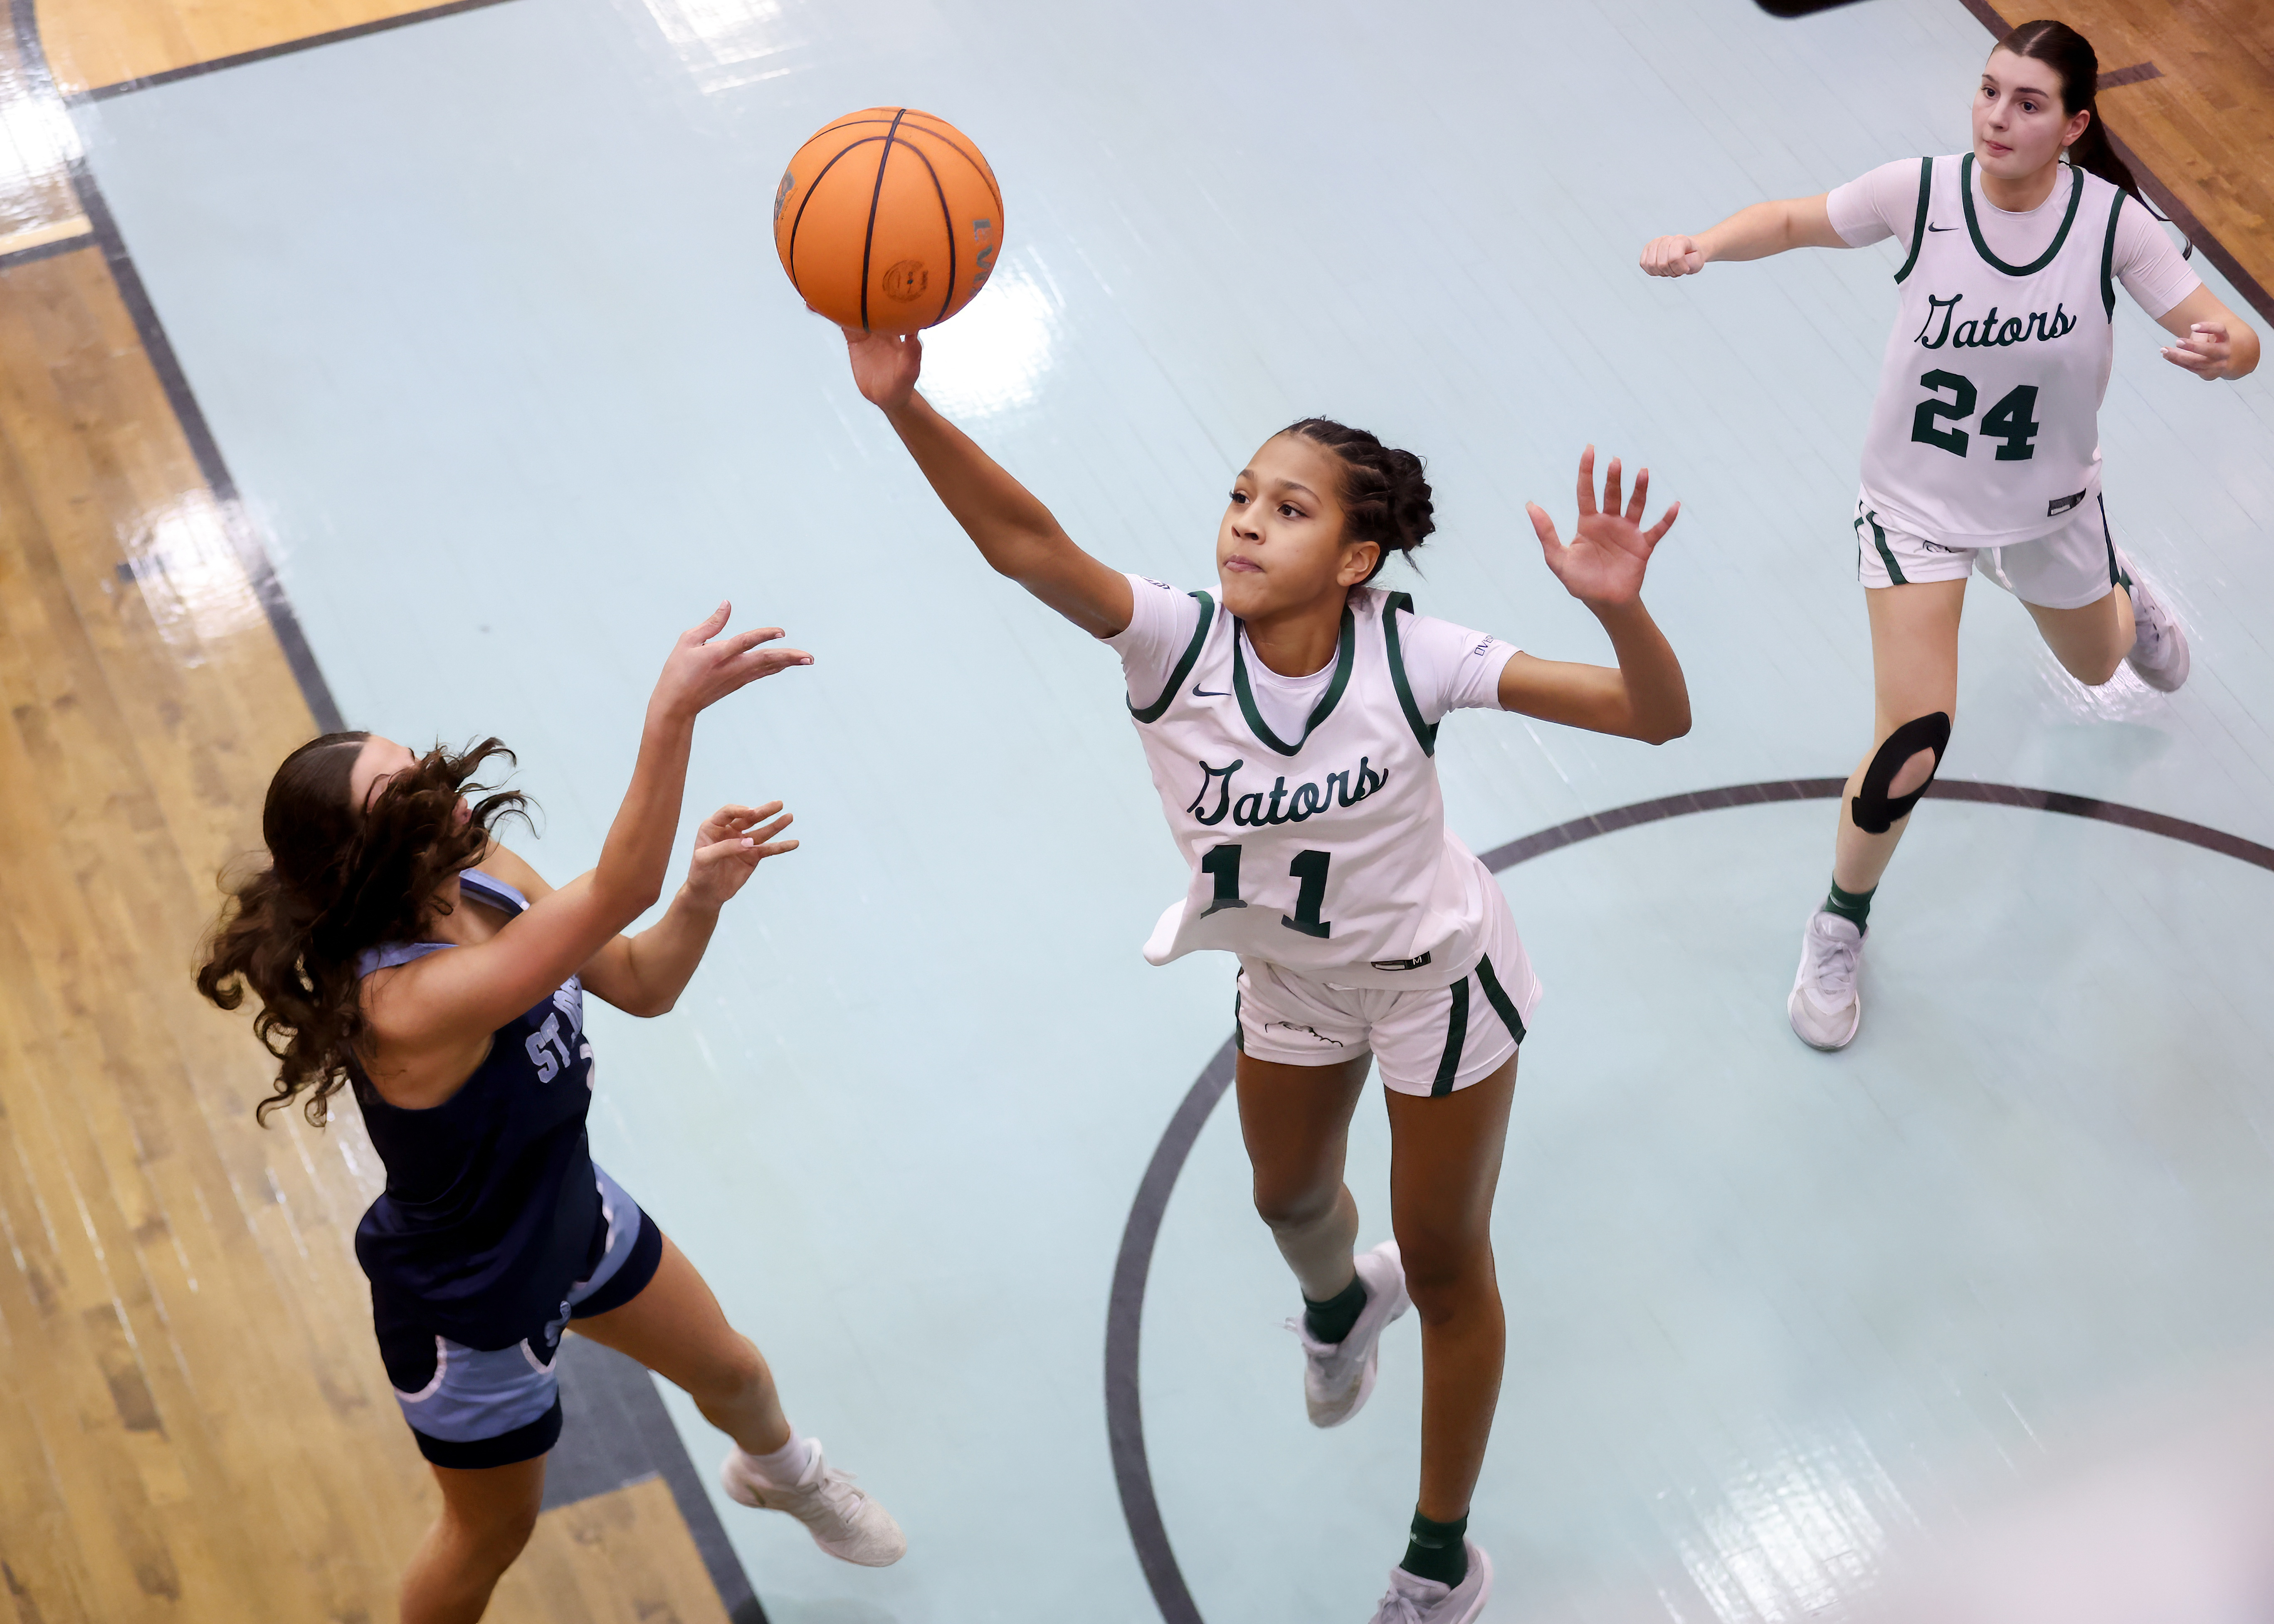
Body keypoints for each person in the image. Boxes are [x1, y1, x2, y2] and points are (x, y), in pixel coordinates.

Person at [840, 327, 1691, 1621]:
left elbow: (1651, 717)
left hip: (1432, 989)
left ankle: (1437, 1557)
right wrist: (906, 406)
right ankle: (1342, 1307)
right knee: (1289, 1204)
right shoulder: (1171, 647)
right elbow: (1027, 543)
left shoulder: (1412, 656)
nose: (1242, 524)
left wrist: (1618, 609)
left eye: (1285, 509)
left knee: (1453, 1268)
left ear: (1355, 559)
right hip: (1285, 982)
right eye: (1239, 495)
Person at [194, 606, 904, 1624]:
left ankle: (783, 1475)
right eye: (405, 796)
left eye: (420, 769)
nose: (442, 794)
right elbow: (619, 887)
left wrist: (698, 898)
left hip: (573, 1214)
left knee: (736, 1371)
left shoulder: (480, 867)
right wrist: (672, 715)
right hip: (473, 1302)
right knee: (491, 1536)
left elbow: (640, 980)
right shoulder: (404, 1004)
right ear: (364, 858)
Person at [1639, 18, 2260, 1051]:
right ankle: (1839, 920)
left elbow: (2226, 333)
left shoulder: (2110, 225)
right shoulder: (1919, 193)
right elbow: (1794, 219)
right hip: (1914, 514)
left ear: (2073, 126)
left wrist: (2225, 349)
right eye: (1987, 90)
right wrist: (1704, 243)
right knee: (1911, 739)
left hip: (2050, 513)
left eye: (2026, 103)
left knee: (2103, 659)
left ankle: (2121, 596)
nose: (1996, 117)